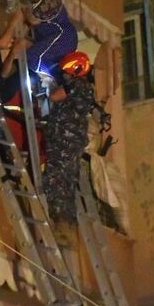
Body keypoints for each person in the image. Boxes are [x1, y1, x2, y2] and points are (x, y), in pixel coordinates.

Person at [40, 51, 95, 223]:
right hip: (72, 139)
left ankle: (54, 212)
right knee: (69, 177)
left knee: (56, 174)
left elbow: (55, 96)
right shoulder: (86, 87)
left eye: (66, 72)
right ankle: (66, 216)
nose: (64, 76)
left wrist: (50, 86)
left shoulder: (77, 84)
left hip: (65, 138)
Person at [22, 0, 78, 80]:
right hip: (58, 37)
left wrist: (22, 13)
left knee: (34, 59)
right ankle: (54, 79)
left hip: (64, 36)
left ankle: (52, 78)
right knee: (37, 60)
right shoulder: (42, 2)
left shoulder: (50, 0)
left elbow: (33, 19)